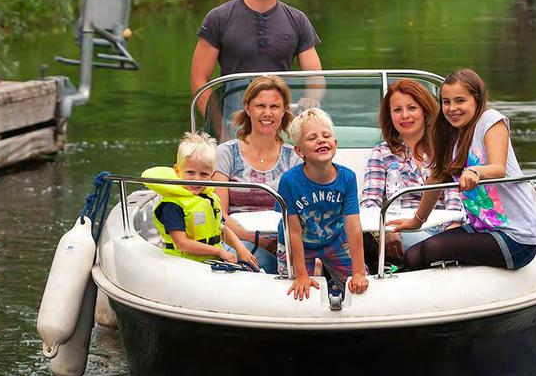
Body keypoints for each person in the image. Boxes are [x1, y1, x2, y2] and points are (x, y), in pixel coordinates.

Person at [390, 69, 536, 271]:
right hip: (481, 229)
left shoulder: (490, 121)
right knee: (413, 256)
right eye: (446, 102)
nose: (452, 108)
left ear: (476, 100)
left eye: (460, 101)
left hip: (516, 236)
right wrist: (417, 221)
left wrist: (475, 172)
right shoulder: (449, 135)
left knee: (432, 249)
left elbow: (498, 168)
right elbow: (436, 179)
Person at [190, 0, 323, 123]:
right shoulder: (218, 18)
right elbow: (199, 80)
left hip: (281, 122)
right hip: (234, 122)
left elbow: (316, 78)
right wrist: (220, 129)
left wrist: (311, 99)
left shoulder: (298, 20)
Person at [359, 79, 463, 264]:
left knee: (447, 243)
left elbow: (453, 195)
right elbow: (370, 203)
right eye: (397, 110)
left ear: (424, 110)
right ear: (390, 116)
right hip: (402, 230)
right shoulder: (381, 153)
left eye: (412, 108)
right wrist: (385, 231)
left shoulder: (444, 148)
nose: (405, 115)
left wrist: (452, 229)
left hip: (444, 226)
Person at [275, 109, 369, 301]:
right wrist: (301, 275)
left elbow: (352, 226)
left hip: (335, 239)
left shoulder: (347, 178)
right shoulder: (289, 181)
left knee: (360, 287)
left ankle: (330, 273)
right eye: (312, 138)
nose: (321, 140)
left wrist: (358, 272)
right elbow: (292, 230)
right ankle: (316, 269)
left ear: (335, 143)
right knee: (297, 291)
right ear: (299, 151)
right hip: (300, 243)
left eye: (327, 136)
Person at [213, 75, 301, 272]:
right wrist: (257, 240)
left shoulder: (293, 158)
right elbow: (219, 213)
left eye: (275, 107)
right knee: (249, 261)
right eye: (260, 105)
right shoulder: (226, 153)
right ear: (247, 108)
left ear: (284, 110)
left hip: (283, 239)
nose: (267, 113)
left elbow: (298, 212)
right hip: (235, 238)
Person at [144, 132, 258, 266]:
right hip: (183, 263)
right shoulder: (172, 205)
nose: (197, 179)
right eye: (190, 172)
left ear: (212, 174)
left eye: (204, 174)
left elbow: (221, 228)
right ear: (177, 170)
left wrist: (241, 249)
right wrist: (219, 252)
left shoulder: (209, 198)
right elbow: (182, 244)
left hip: (209, 261)